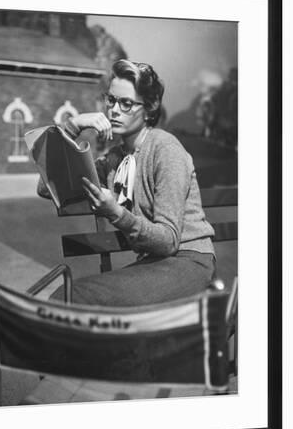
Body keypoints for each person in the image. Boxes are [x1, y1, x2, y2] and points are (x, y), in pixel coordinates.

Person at [40, 59, 216, 307]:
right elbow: (47, 187)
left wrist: (115, 212)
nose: (114, 110)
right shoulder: (114, 160)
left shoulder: (165, 149)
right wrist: (72, 126)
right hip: (154, 265)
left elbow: (168, 241)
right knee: (69, 295)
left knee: (71, 297)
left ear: (150, 107)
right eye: (111, 100)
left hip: (188, 262)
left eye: (126, 103)